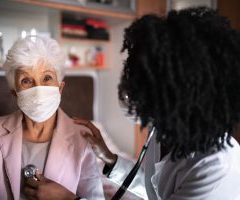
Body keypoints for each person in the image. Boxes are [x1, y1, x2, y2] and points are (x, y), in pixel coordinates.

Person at [24, 7, 240, 200]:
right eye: (130, 74)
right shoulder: (164, 129)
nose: (126, 89)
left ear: (178, 91)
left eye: (138, 82)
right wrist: (109, 158)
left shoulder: (216, 167)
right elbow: (153, 185)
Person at [0, 36, 104, 200]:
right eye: (26, 80)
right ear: (15, 94)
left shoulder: (82, 136)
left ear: (60, 88)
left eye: (47, 78)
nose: (38, 89)